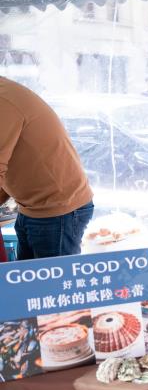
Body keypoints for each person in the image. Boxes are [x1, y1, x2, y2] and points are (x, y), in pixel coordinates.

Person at [0, 77, 94, 260]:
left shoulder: (4, 102)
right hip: (32, 205)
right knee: (28, 284)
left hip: (58, 210)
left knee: (52, 285)